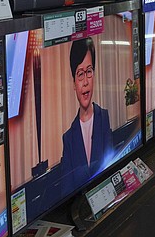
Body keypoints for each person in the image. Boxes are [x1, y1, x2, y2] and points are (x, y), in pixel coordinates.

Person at [60, 38, 114, 195]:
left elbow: (110, 167)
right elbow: (66, 190)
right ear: (73, 83)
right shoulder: (68, 138)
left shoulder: (104, 117)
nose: (85, 82)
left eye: (89, 72)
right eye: (80, 74)